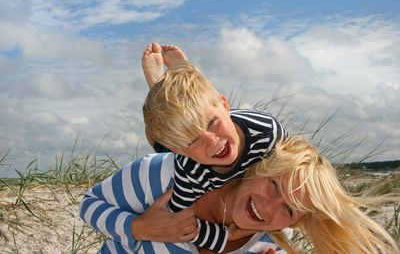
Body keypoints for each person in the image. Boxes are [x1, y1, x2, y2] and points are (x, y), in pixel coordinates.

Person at [79, 136, 400, 254]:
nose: (269, 207)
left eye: (288, 210)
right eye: (274, 186)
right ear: (258, 169)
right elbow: (89, 205)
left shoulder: (269, 244)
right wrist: (140, 229)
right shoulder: (164, 174)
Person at [140, 43, 289, 252]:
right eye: (194, 141)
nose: (212, 142)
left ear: (226, 105)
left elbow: (298, 161)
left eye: (212, 123)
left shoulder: (266, 132)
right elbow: (181, 223)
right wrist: (227, 235)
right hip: (185, 148)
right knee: (157, 137)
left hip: (224, 119)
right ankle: (157, 84)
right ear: (181, 152)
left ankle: (184, 75)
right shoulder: (189, 172)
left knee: (194, 113)